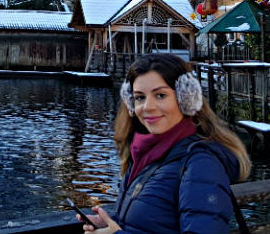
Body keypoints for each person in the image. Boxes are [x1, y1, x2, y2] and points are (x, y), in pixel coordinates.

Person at [78, 54, 251, 234]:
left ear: (186, 99)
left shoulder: (201, 164)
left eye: (160, 95)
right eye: (139, 97)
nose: (147, 107)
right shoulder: (143, 155)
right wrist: (111, 224)